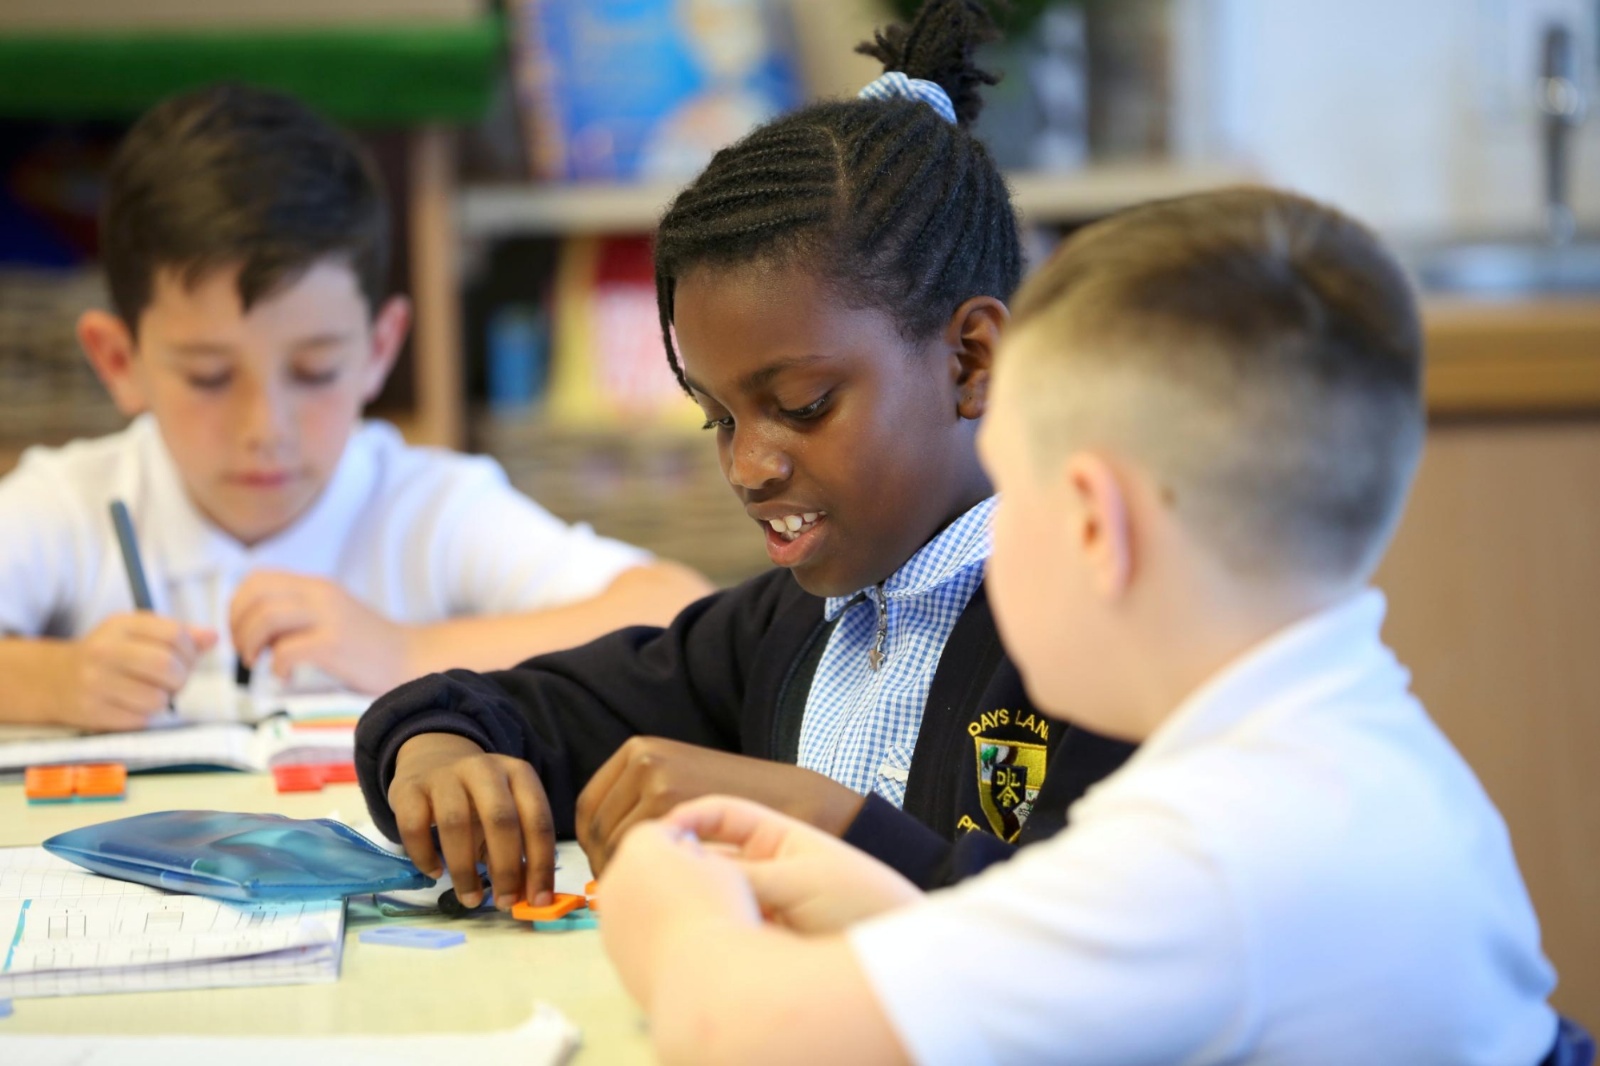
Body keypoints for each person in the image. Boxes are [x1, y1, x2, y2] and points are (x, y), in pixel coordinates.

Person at [596, 187, 1561, 1065]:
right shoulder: (1355, 754)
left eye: (1013, 496)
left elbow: (729, 1032)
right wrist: (855, 884)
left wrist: (666, 902)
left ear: (1096, 525)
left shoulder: (1213, 857)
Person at [352, 0, 1135, 914]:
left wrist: (818, 818)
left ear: (970, 361)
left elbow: (1083, 934)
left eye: (802, 406)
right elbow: (524, 709)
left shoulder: (1102, 635)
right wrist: (437, 750)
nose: (749, 467)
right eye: (717, 418)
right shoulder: (786, 630)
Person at [0, 83, 711, 732]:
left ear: (379, 349)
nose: (265, 429)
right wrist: (53, 681)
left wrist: (404, 652)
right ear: (118, 361)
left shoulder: (426, 509)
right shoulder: (73, 503)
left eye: (314, 371)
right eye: (209, 377)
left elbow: (678, 613)